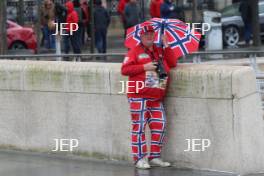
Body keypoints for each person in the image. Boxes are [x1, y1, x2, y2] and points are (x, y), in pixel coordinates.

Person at [121, 25, 178, 169]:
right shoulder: (134, 51)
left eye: (152, 34)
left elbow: (172, 63)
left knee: (160, 125)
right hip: (138, 95)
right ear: (141, 36)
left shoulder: (159, 50)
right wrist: (144, 67)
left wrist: (167, 45)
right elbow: (125, 70)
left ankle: (154, 156)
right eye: (146, 34)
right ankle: (139, 158)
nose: (149, 36)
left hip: (156, 96)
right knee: (139, 128)